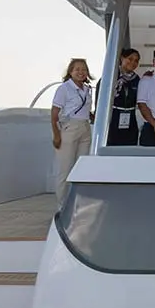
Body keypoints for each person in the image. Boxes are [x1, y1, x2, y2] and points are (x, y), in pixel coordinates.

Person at [51, 58, 93, 204]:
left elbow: (85, 109)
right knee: (65, 168)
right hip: (69, 129)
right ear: (71, 71)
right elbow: (54, 113)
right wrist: (56, 135)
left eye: (84, 69)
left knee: (81, 167)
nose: (81, 72)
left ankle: (77, 202)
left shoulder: (87, 89)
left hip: (85, 127)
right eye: (77, 69)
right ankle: (62, 204)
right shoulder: (64, 88)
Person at [106, 48, 141, 146]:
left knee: (129, 147)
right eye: (130, 59)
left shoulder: (137, 79)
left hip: (130, 117)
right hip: (113, 117)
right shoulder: (110, 75)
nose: (133, 62)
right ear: (122, 58)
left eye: (136, 61)